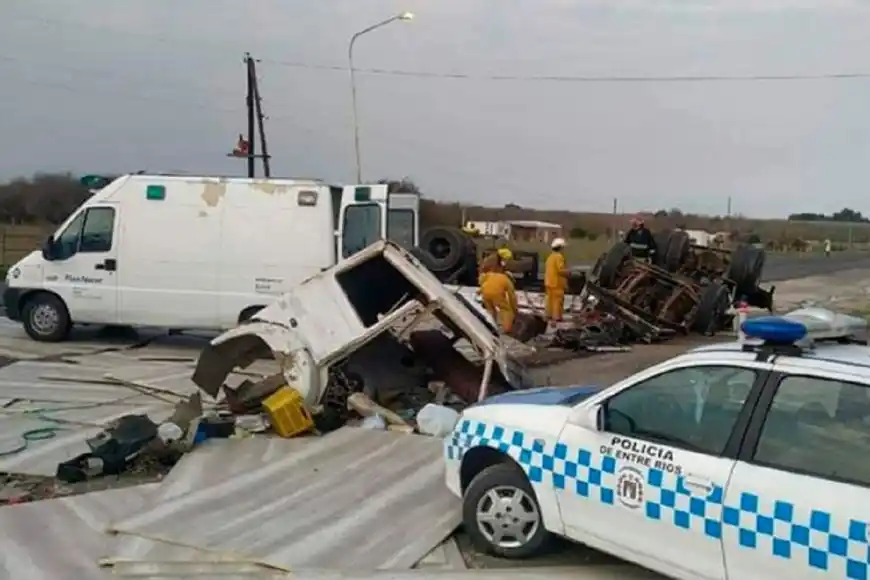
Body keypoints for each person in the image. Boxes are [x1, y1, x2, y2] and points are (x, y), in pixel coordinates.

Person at [479, 256, 517, 333]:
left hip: (485, 293)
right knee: (506, 310)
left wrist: (480, 291)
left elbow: (483, 282)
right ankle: (507, 329)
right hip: (496, 294)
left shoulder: (489, 275)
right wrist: (514, 308)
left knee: (491, 310)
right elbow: (512, 296)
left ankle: (490, 326)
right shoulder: (506, 279)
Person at [544, 238, 569, 323]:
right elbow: (560, 270)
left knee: (550, 300)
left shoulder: (550, 257)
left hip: (549, 282)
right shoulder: (559, 257)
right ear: (560, 247)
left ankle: (549, 315)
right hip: (557, 283)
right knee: (558, 300)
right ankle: (557, 317)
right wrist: (569, 273)